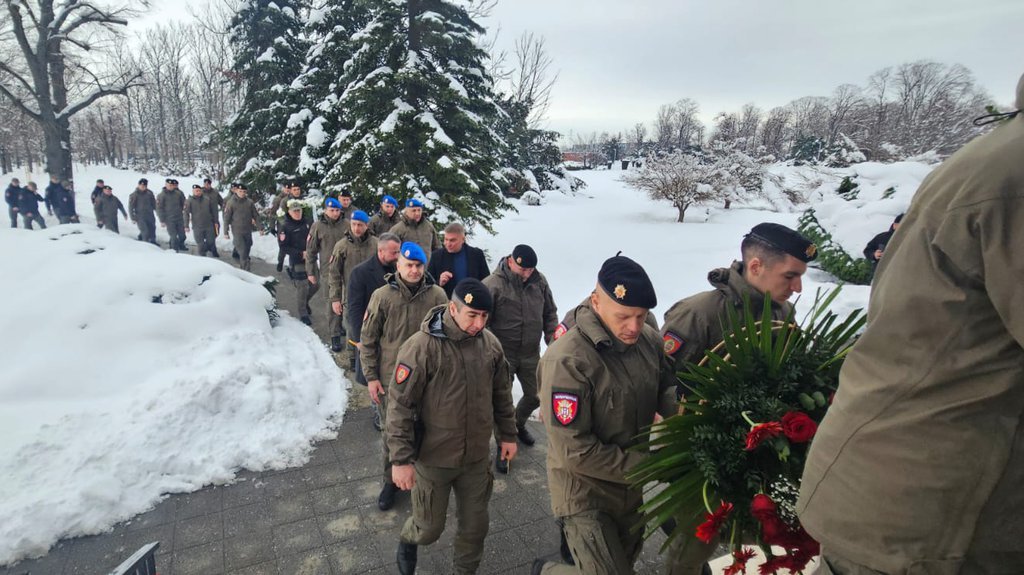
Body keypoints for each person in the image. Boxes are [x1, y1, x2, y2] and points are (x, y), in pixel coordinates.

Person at [798, 73, 1024, 574]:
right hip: (929, 516)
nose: (796, 288)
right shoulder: (1012, 174)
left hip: (915, 497)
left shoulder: (996, 156)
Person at [659, 222, 817, 575]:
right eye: (790, 276)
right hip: (703, 459)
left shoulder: (783, 314)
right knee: (696, 543)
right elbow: (659, 384)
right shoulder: (699, 314)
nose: (798, 288)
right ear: (756, 266)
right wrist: (706, 417)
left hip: (756, 458)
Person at [533, 254, 679, 575]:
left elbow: (666, 388)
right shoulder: (568, 360)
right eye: (624, 316)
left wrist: (686, 414)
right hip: (584, 491)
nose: (634, 327)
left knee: (622, 562)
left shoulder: (649, 341)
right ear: (596, 302)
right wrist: (650, 466)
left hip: (629, 486)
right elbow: (575, 451)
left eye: (641, 316)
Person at [388, 278, 518, 575]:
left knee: (475, 527)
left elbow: (502, 394)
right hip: (435, 458)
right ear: (453, 309)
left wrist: (508, 435)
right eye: (472, 315)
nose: (479, 324)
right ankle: (409, 539)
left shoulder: (491, 345)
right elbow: (399, 406)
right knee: (429, 528)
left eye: (484, 316)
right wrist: (400, 460)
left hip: (476, 459)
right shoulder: (421, 347)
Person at [360, 242, 447, 512]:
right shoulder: (382, 296)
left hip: (429, 379)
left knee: (429, 429)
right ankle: (390, 481)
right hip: (391, 380)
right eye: (409, 265)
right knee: (393, 433)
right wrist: (371, 377)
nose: (414, 270)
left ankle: (423, 476)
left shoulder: (437, 296)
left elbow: (447, 338)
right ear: (398, 265)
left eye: (419, 265)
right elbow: (368, 339)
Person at [482, 244, 557, 471]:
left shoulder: (539, 282)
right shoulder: (492, 284)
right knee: (502, 401)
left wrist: (553, 339)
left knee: (537, 394)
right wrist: (491, 350)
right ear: (511, 261)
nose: (526, 274)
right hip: (503, 354)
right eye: (523, 269)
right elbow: (482, 322)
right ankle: (504, 445)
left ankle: (516, 424)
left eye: (530, 270)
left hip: (530, 352)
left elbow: (549, 313)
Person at [347, 233, 402, 430]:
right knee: (375, 374)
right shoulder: (360, 273)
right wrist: (358, 339)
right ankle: (378, 412)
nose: (398, 256)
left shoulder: (400, 269)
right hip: (372, 333)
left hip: (395, 333)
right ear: (380, 251)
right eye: (394, 252)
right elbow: (354, 308)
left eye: (399, 251)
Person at [327, 210, 378, 369]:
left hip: (373, 296)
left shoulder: (376, 244)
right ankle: (353, 358)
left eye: (360, 225)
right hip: (350, 296)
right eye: (354, 224)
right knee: (352, 328)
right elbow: (334, 274)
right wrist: (335, 299)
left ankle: (371, 357)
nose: (356, 228)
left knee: (373, 327)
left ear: (367, 225)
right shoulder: (341, 246)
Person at [307, 197, 351, 351]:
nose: (335, 213)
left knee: (345, 301)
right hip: (328, 272)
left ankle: (341, 326)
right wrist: (311, 271)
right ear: (326, 210)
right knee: (332, 302)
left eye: (337, 210)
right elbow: (311, 251)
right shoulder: (318, 226)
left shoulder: (347, 225)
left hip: (347, 270)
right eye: (332, 210)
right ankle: (335, 335)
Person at [279, 200, 318, 325]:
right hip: (297, 261)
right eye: (295, 211)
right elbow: (283, 247)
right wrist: (300, 253)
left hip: (311, 259)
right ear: (290, 212)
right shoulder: (285, 227)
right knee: (303, 287)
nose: (297, 213)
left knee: (316, 284)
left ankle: (305, 302)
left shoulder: (307, 223)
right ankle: (303, 313)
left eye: (299, 211)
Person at [427, 222, 490, 298]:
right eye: (446, 239)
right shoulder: (436, 256)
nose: (448, 244)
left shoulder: (476, 255)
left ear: (463, 239)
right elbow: (427, 285)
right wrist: (439, 282)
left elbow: (486, 281)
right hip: (446, 301)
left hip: (473, 300)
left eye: (452, 240)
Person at [223, 184, 260, 270]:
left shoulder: (249, 202)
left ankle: (243, 263)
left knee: (248, 247)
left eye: (244, 192)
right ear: (236, 191)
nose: (242, 193)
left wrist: (260, 227)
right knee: (243, 252)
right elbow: (226, 218)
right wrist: (226, 232)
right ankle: (245, 270)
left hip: (247, 229)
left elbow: (256, 215)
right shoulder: (231, 203)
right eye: (240, 191)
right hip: (237, 230)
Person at [184, 184, 220, 257]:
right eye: (196, 191)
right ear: (193, 191)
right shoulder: (189, 201)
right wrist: (186, 225)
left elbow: (214, 211)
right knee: (200, 243)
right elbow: (186, 214)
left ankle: (211, 250)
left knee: (211, 241)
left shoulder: (207, 199)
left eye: (199, 191)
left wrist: (216, 221)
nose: (198, 192)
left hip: (208, 225)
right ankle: (202, 257)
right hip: (197, 226)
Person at [157, 178, 187, 252]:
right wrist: (162, 220)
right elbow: (159, 208)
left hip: (179, 218)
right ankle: (174, 251)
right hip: (169, 219)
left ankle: (180, 245)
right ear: (166, 185)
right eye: (169, 185)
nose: (171, 187)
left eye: (172, 185)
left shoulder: (178, 194)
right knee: (173, 236)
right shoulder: (162, 195)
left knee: (182, 235)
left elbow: (183, 204)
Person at [129, 179, 158, 244]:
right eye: (141, 185)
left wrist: (157, 211)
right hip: (140, 216)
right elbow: (131, 207)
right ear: (138, 185)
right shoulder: (134, 195)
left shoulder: (149, 193)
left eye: (144, 186)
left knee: (152, 229)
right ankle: (146, 244)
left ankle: (153, 242)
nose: (142, 187)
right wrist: (132, 217)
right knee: (145, 231)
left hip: (150, 215)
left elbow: (154, 203)